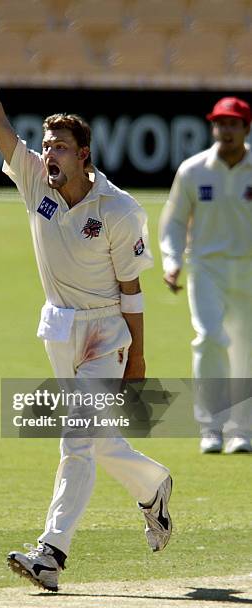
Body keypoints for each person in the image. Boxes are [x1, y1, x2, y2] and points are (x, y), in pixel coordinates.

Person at [0, 7, 172, 592]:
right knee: (99, 441)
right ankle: (153, 488)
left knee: (76, 439)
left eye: (59, 146)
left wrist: (141, 359)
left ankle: (51, 553)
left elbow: (132, 289)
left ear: (84, 157)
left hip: (106, 332)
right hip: (58, 327)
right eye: (46, 143)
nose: (47, 152)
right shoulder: (34, 183)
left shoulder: (120, 210)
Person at [160, 96, 252, 455]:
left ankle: (241, 429)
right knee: (210, 338)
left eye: (233, 123)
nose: (225, 130)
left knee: (245, 346)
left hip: (248, 267)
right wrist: (171, 260)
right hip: (206, 267)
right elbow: (175, 219)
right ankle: (211, 426)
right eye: (220, 123)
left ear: (246, 128)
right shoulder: (193, 169)